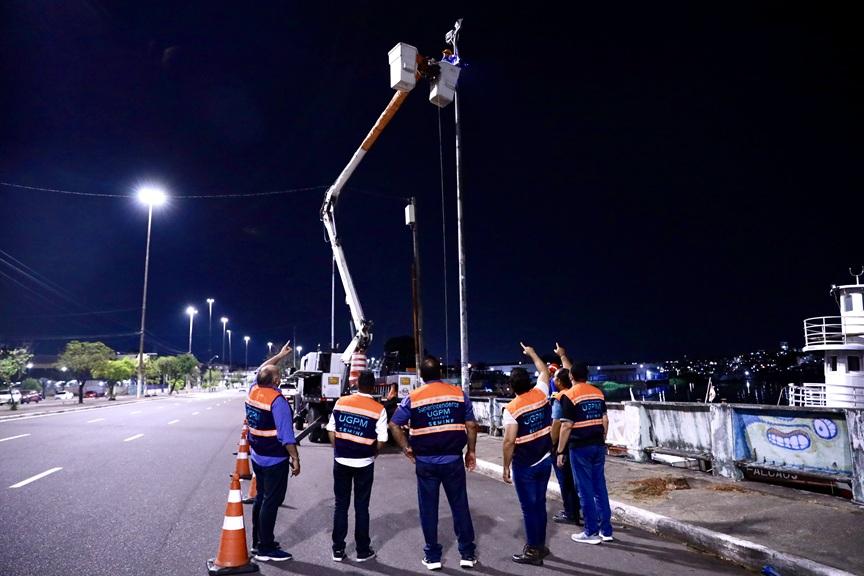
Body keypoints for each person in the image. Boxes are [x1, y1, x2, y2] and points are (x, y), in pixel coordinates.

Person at [389, 356, 478, 571]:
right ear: (440, 373)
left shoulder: (413, 397)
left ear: (421, 376)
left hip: (426, 463)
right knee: (460, 506)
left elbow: (394, 424)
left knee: (428, 510)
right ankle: (467, 554)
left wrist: (406, 448)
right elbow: (471, 426)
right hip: (453, 460)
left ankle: (432, 556)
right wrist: (471, 451)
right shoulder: (458, 394)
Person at [245, 341, 301, 562]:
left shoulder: (254, 390)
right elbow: (287, 437)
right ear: (276, 381)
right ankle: (266, 548)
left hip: (257, 455)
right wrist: (295, 458)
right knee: (271, 501)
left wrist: (279, 356)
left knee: (261, 498)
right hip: (274, 458)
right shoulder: (278, 402)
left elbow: (262, 369)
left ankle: (258, 541)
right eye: (278, 374)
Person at [325, 369, 388, 563]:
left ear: (357, 384)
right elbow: (382, 439)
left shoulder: (341, 402)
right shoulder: (378, 409)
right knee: (362, 507)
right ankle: (362, 550)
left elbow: (331, 429)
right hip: (364, 463)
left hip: (341, 461)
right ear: (374, 387)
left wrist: (338, 448)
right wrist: (373, 453)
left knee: (340, 505)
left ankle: (338, 550)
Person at [502, 343, 554, 565]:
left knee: (529, 509)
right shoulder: (541, 393)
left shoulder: (512, 409)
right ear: (529, 382)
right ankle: (540, 546)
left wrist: (506, 466)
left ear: (511, 387)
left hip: (526, 465)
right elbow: (544, 371)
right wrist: (532, 353)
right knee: (540, 505)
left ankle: (533, 550)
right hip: (545, 459)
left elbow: (509, 441)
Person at [556, 361, 613, 545]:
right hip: (598, 445)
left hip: (580, 447)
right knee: (600, 488)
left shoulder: (570, 395)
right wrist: (602, 439)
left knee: (585, 490)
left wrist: (560, 450)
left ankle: (591, 532)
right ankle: (606, 530)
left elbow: (566, 426)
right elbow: (605, 420)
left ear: (571, 376)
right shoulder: (597, 393)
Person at [550, 343, 582, 526]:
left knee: (565, 480)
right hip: (578, 442)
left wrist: (552, 445)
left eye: (555, 377)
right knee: (577, 480)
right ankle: (580, 510)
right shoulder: (574, 392)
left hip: (563, 444)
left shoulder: (559, 398)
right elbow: (570, 372)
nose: (553, 379)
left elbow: (557, 424)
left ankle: (570, 513)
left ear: (559, 382)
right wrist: (562, 355)